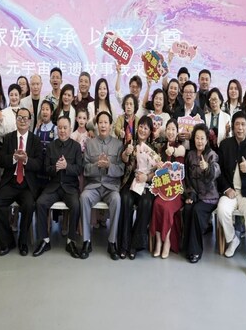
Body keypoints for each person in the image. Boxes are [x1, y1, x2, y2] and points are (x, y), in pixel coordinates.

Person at [0, 108, 43, 257]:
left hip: (27, 184)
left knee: (29, 205)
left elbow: (39, 164)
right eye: (20, 117)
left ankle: (23, 242)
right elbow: (1, 161)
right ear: (16, 120)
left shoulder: (35, 140)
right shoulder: (8, 138)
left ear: (30, 121)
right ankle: (7, 241)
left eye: (25, 118)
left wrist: (26, 160)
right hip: (10, 181)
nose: (22, 121)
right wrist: (13, 158)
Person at [216, 111, 246, 279]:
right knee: (221, 210)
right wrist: (226, 188)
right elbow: (219, 171)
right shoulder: (225, 144)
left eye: (243, 124)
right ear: (233, 127)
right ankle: (233, 239)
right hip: (230, 192)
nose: (240, 128)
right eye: (237, 124)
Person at [33, 116, 83, 258]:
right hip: (53, 186)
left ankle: (71, 241)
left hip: (70, 187)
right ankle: (45, 240)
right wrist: (55, 168)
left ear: (70, 129)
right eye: (59, 128)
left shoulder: (76, 147)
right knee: (40, 203)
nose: (62, 131)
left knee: (76, 205)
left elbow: (79, 169)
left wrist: (67, 166)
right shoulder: (51, 146)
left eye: (65, 128)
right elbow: (45, 169)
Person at [80, 111, 125, 260]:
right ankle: (86, 241)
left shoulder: (118, 144)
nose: (103, 125)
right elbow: (85, 168)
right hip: (93, 185)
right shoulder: (90, 143)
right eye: (100, 122)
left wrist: (108, 166)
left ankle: (112, 242)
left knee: (117, 199)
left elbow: (121, 169)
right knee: (84, 197)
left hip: (110, 187)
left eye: (106, 122)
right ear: (97, 125)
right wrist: (96, 165)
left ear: (111, 125)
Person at [118, 116, 158, 259]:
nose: (142, 130)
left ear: (150, 131)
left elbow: (157, 170)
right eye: (141, 126)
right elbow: (123, 159)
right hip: (130, 182)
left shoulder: (153, 148)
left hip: (146, 183)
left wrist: (147, 177)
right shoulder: (130, 143)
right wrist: (126, 153)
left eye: (146, 128)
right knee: (125, 199)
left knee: (146, 202)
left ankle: (135, 244)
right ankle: (124, 244)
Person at [182, 124, 221, 264]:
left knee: (197, 211)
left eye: (202, 138)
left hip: (209, 197)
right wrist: (190, 194)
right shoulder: (190, 155)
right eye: (197, 138)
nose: (199, 141)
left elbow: (216, 171)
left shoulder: (212, 155)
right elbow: (186, 178)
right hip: (195, 195)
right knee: (187, 209)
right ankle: (187, 246)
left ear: (207, 140)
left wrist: (207, 168)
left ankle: (195, 251)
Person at [150, 119, 186, 259]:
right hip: (163, 188)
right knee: (157, 204)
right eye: (168, 129)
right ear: (165, 131)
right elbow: (159, 173)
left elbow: (180, 152)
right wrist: (159, 167)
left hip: (176, 189)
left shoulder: (180, 147)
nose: (170, 132)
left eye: (173, 129)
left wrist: (173, 151)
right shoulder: (161, 148)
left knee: (166, 207)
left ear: (177, 132)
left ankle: (167, 241)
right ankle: (159, 241)